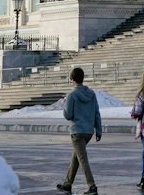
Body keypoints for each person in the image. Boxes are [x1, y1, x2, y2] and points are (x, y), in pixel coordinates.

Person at [56, 66, 102, 194]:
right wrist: (99, 130)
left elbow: (68, 115)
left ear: (72, 79)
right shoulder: (91, 94)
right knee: (76, 157)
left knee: (82, 159)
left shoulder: (72, 95)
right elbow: (96, 113)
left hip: (77, 132)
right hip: (88, 131)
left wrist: (65, 105)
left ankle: (92, 186)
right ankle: (67, 184)